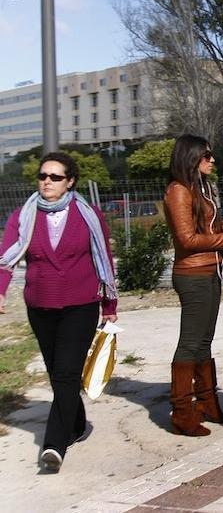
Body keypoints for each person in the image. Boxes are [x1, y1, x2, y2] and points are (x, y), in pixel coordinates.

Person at [0, 152, 118, 472]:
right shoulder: (23, 216)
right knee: (58, 374)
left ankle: (54, 444)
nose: (46, 182)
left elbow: (103, 258)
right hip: (39, 305)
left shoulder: (88, 214)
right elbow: (6, 258)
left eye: (54, 177)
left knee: (66, 373)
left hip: (80, 304)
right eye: (42, 176)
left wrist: (109, 305)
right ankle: (77, 422)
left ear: (70, 181)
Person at [163, 135, 223, 437]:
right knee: (190, 342)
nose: (212, 160)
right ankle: (182, 412)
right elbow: (186, 239)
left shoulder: (199, 189)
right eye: (206, 155)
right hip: (192, 275)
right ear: (191, 157)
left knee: (204, 341)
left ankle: (208, 403)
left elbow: (203, 229)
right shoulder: (179, 191)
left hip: (209, 271)